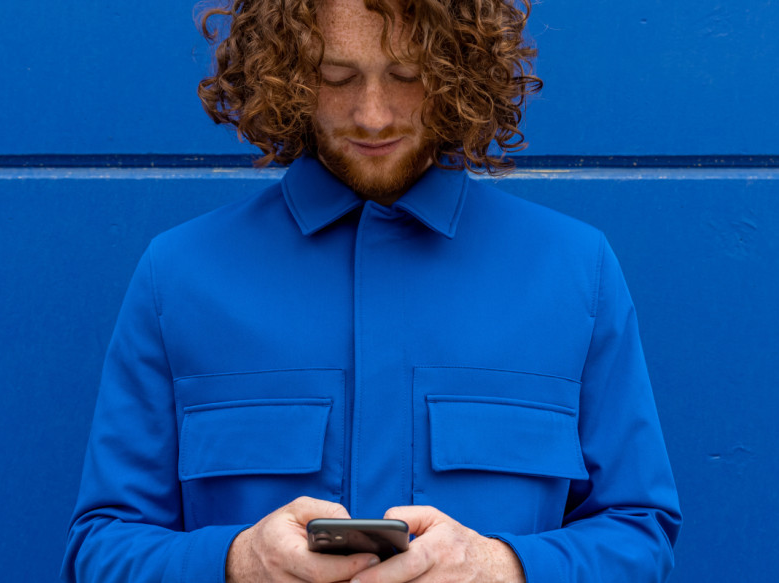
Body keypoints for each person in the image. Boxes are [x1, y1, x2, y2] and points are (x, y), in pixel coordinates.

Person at [61, 0, 681, 581]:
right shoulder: (180, 273)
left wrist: (500, 567)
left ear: (458, 69)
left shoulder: (575, 269)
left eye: (407, 74)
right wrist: (237, 560)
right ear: (286, 73)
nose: (373, 115)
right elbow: (102, 547)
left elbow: (640, 532)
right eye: (336, 77)